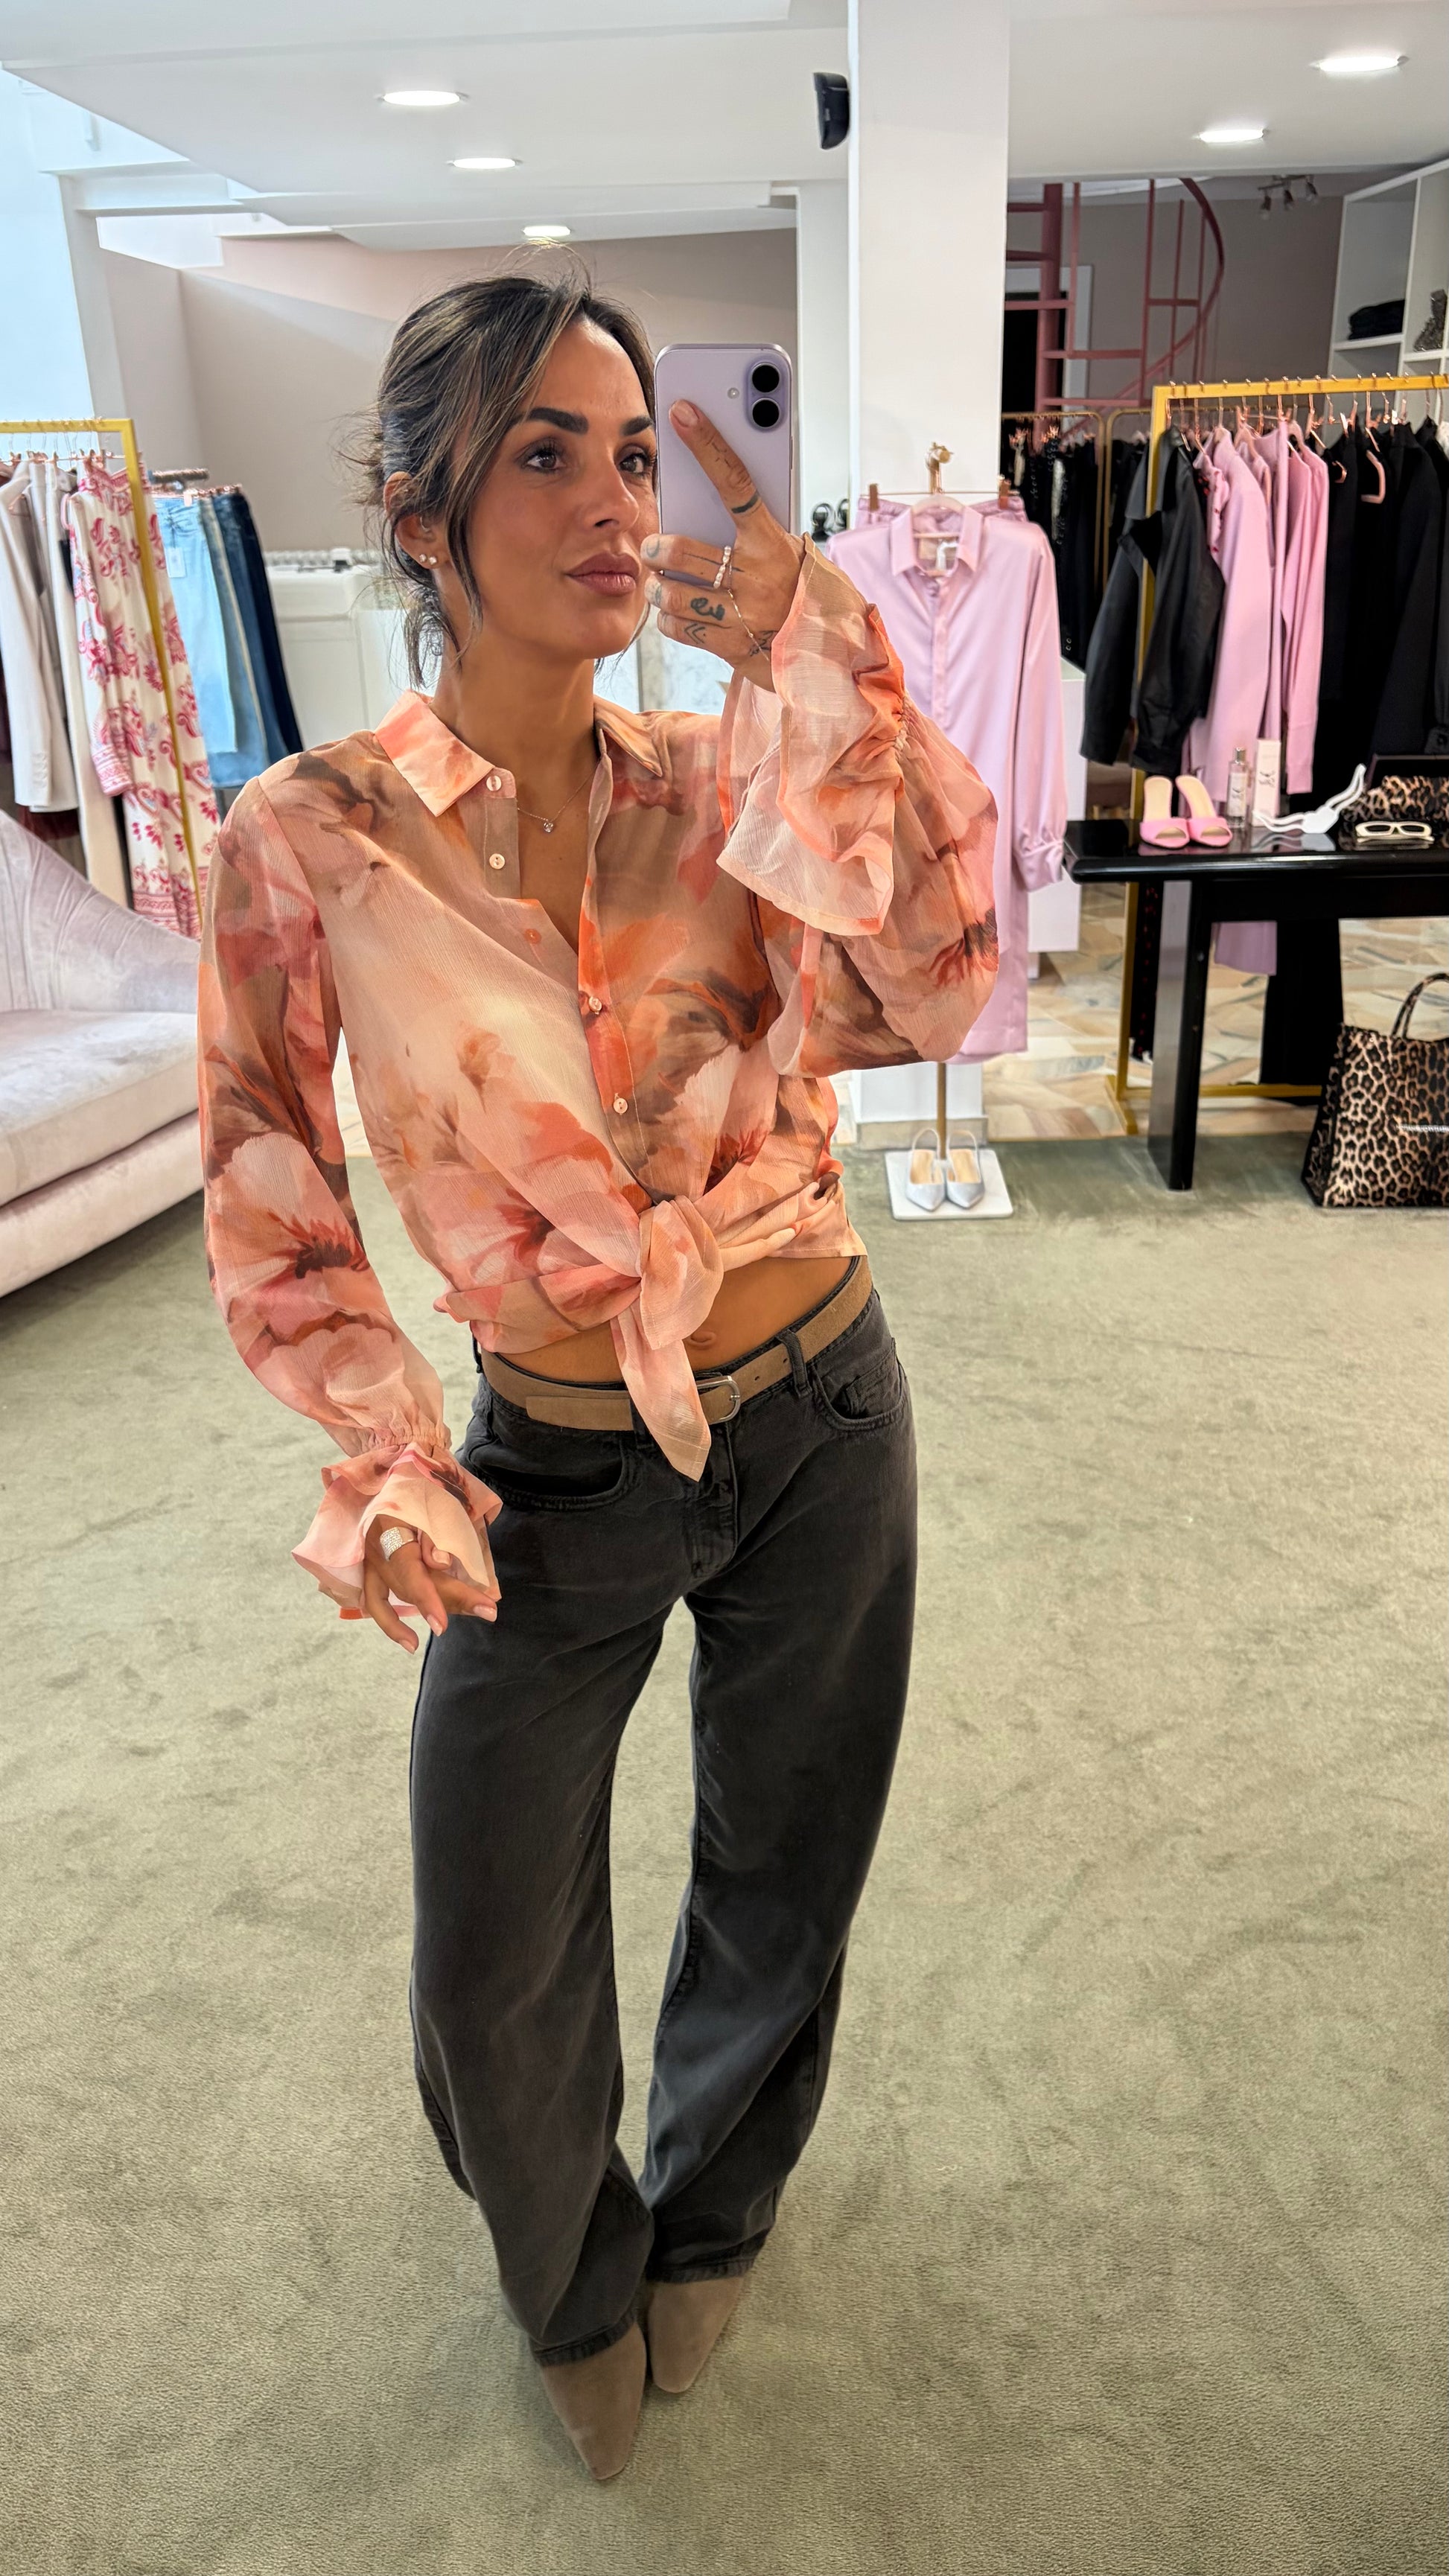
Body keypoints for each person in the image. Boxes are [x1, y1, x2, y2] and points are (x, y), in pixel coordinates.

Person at [198, 275, 999, 2481]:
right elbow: (268, 1177)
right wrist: (383, 1442)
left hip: (820, 1404)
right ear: (421, 515)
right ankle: (568, 2266)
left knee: (786, 1867)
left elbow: (939, 980)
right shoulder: (313, 835)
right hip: (547, 1455)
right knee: (490, 1946)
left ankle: (716, 2205)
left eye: (633, 452)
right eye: (543, 453)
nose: (613, 502)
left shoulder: (729, 777)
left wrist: (818, 654)